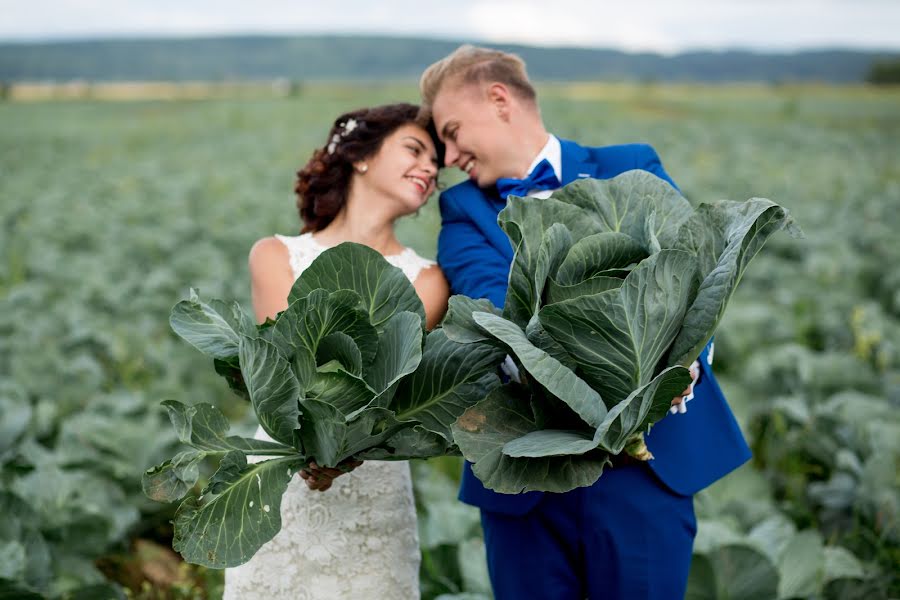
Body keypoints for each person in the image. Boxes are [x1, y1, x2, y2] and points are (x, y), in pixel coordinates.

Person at [420, 45, 751, 599]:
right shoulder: (464, 214)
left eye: (452, 131)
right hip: (524, 474)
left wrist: (685, 358)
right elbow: (493, 302)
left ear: (499, 100)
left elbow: (688, 273)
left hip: (646, 467)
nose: (449, 155)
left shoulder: (631, 164)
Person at [223, 103, 448, 600]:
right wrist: (313, 449)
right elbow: (287, 375)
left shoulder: (430, 280)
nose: (430, 168)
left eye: (437, 162)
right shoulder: (275, 255)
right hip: (281, 482)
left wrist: (337, 453)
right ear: (361, 157)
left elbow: (384, 385)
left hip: (372, 489)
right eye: (415, 150)